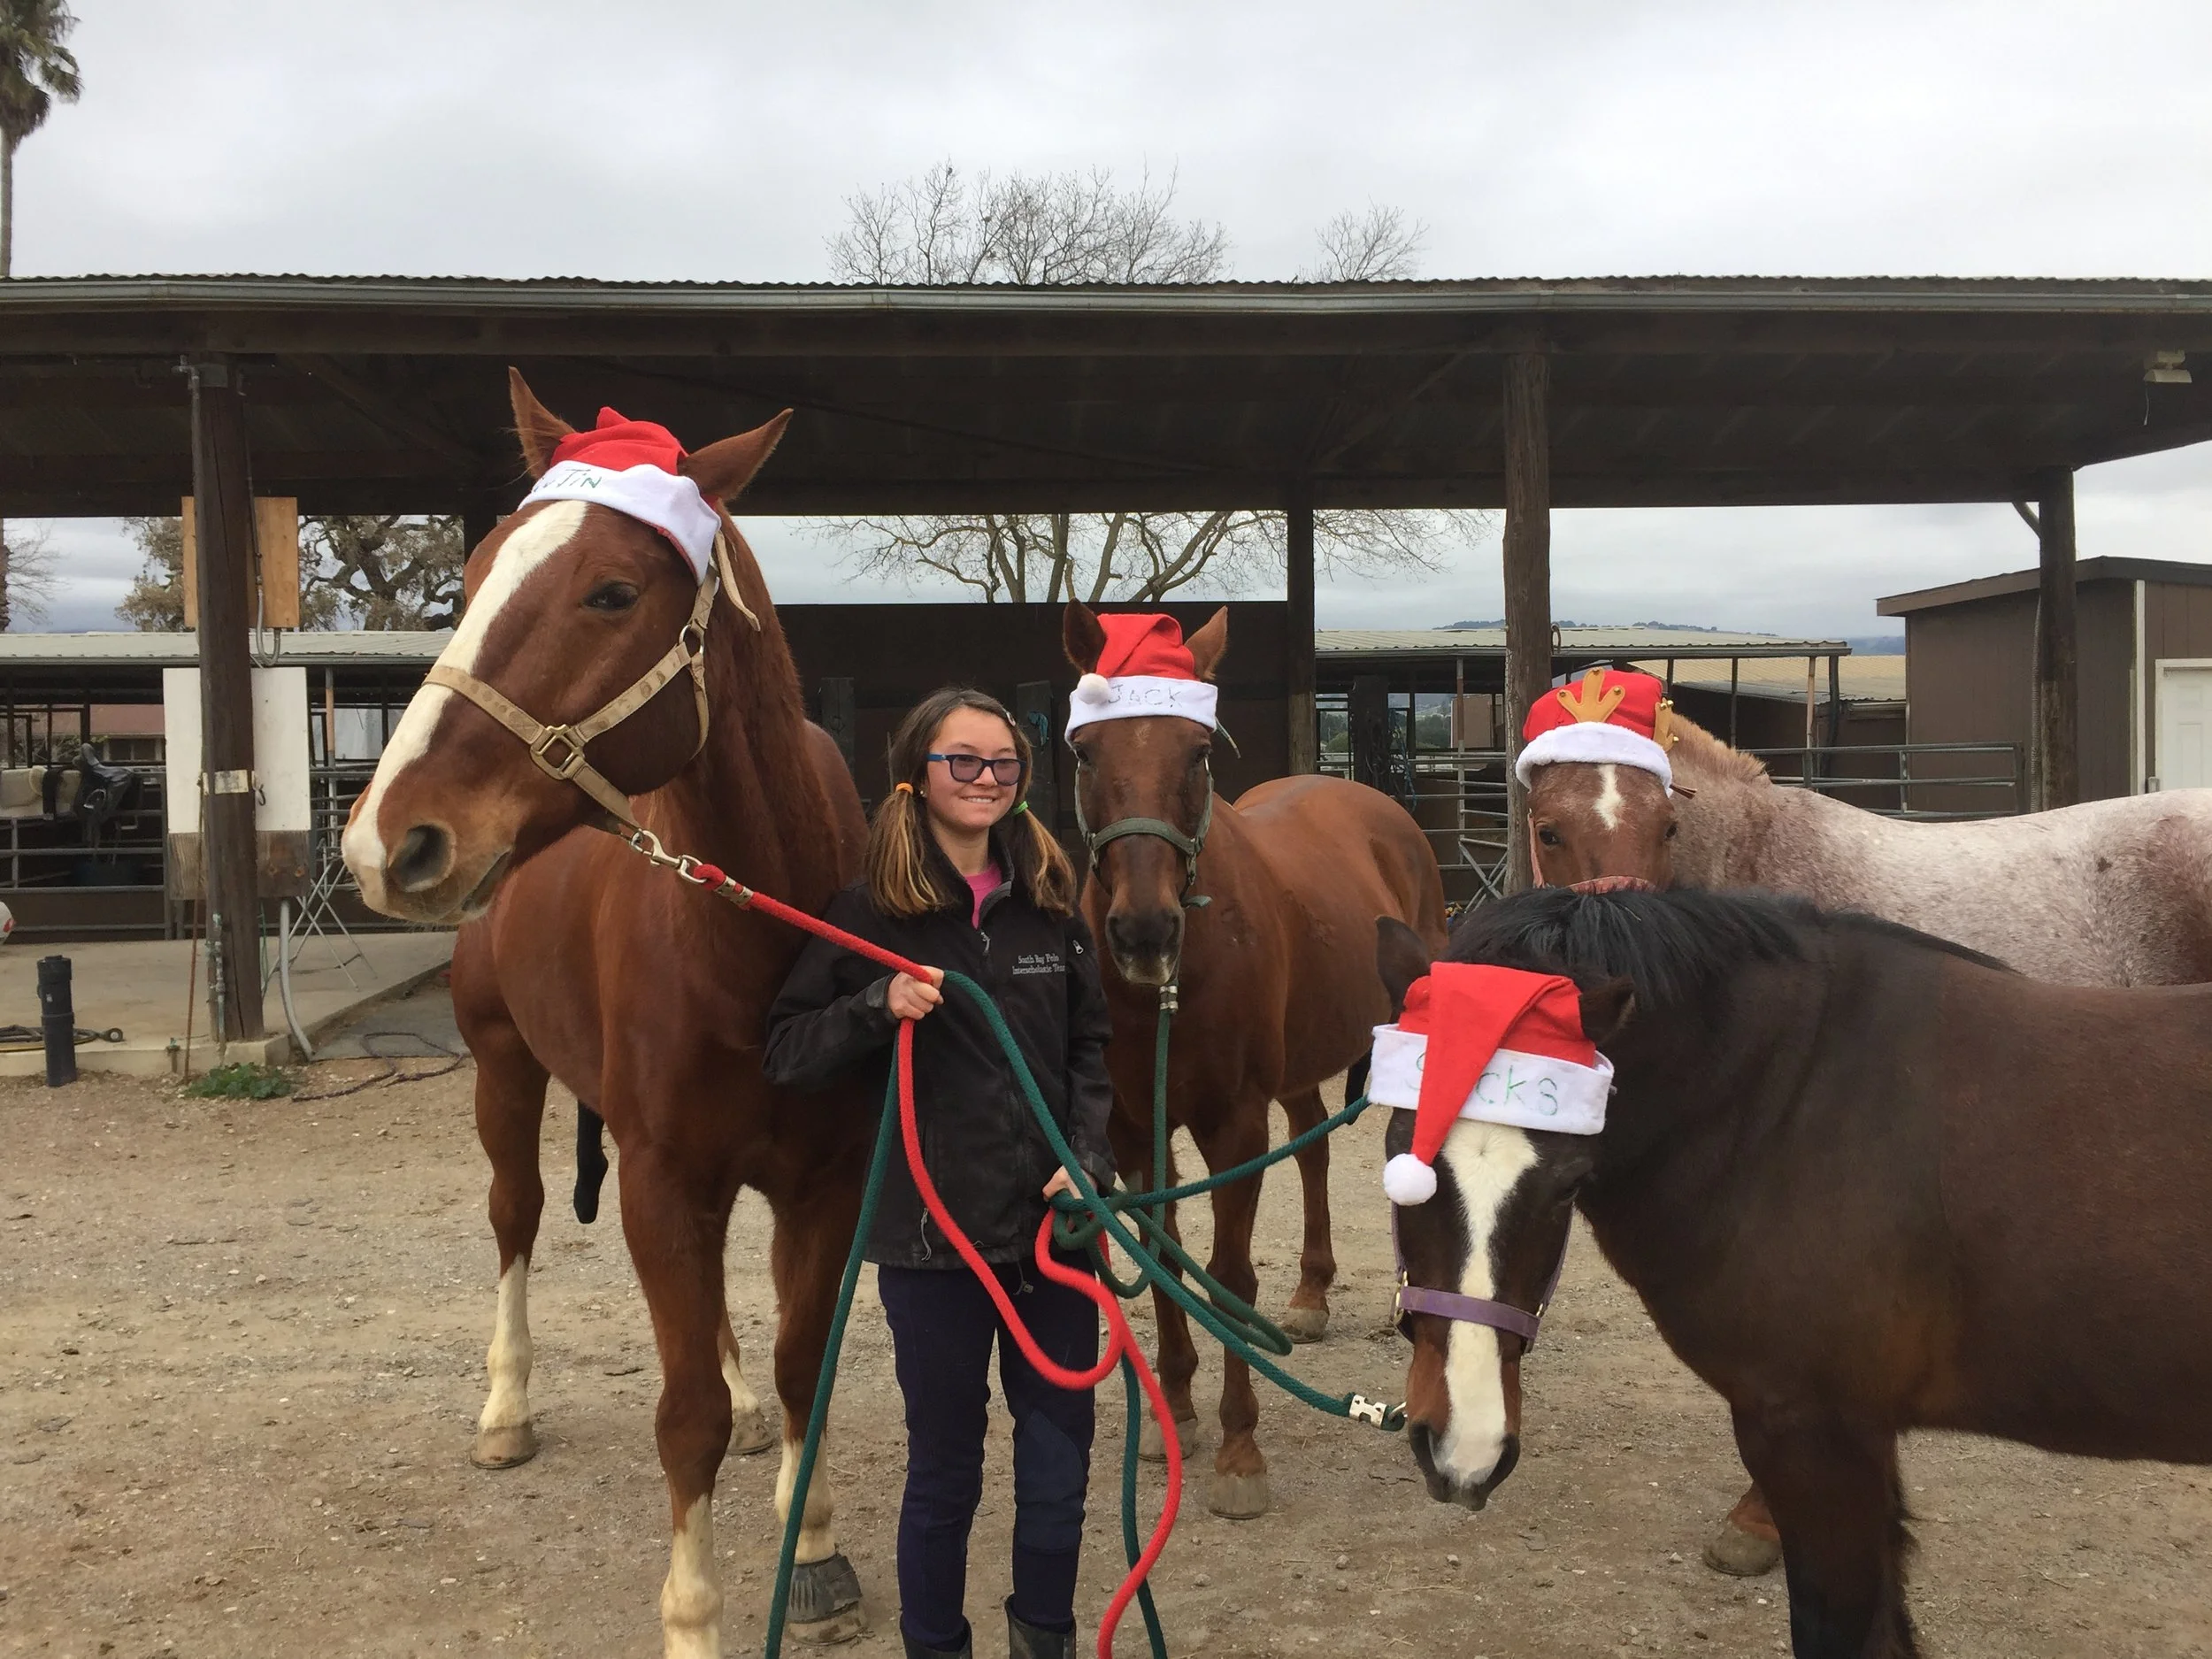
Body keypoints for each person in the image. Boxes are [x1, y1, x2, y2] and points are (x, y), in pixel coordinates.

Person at [764, 687, 1117, 1659]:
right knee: (945, 1470)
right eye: (964, 761)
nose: (986, 780)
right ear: (916, 777)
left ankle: (1042, 1636)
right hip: (931, 1242)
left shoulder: (1050, 904)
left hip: (1053, 1234)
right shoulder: (868, 914)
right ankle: (936, 1646)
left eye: (1003, 763)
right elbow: (786, 1050)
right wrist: (874, 1005)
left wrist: (1086, 1158)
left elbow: (1091, 1051)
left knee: (1057, 1467)